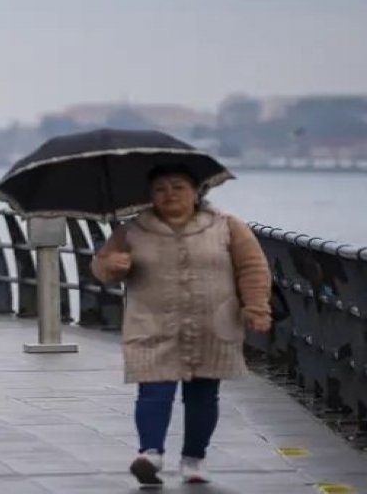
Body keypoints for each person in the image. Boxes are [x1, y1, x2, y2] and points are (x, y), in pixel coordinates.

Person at [92, 163, 271, 487]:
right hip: (151, 324)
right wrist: (112, 265)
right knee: (153, 390)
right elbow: (102, 265)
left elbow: (252, 267)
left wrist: (256, 308)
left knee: (203, 395)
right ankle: (150, 453)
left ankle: (194, 458)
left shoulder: (227, 226)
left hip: (212, 325)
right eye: (160, 189)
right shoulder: (132, 230)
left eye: (178, 187)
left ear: (196, 192)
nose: (169, 194)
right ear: (150, 195)